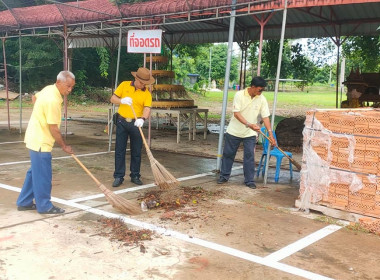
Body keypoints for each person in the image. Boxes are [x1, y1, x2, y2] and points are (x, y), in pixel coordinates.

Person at [16, 71, 75, 214]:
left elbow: (34, 98)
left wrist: (39, 115)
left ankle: (24, 202)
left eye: (72, 87)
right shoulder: (53, 100)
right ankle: (44, 206)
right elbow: (54, 128)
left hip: (34, 137)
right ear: (59, 82)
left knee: (35, 172)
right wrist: (64, 146)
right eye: (68, 86)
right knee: (43, 174)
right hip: (41, 141)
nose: (70, 90)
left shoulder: (49, 89)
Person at [217, 77, 276, 189]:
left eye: (262, 90)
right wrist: (249, 124)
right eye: (259, 90)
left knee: (249, 156)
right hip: (234, 131)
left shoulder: (261, 99)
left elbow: (266, 117)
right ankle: (224, 176)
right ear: (252, 87)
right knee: (228, 154)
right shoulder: (239, 95)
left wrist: (270, 134)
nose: (261, 92)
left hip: (250, 133)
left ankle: (249, 180)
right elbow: (236, 114)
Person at [110, 67, 154, 188]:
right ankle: (118, 176)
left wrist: (142, 119)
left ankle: (135, 175)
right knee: (120, 150)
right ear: (136, 78)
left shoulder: (147, 93)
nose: (142, 85)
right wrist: (122, 100)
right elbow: (112, 99)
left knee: (136, 151)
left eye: (145, 83)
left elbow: (147, 108)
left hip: (136, 123)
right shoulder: (124, 85)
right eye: (141, 82)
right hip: (122, 121)